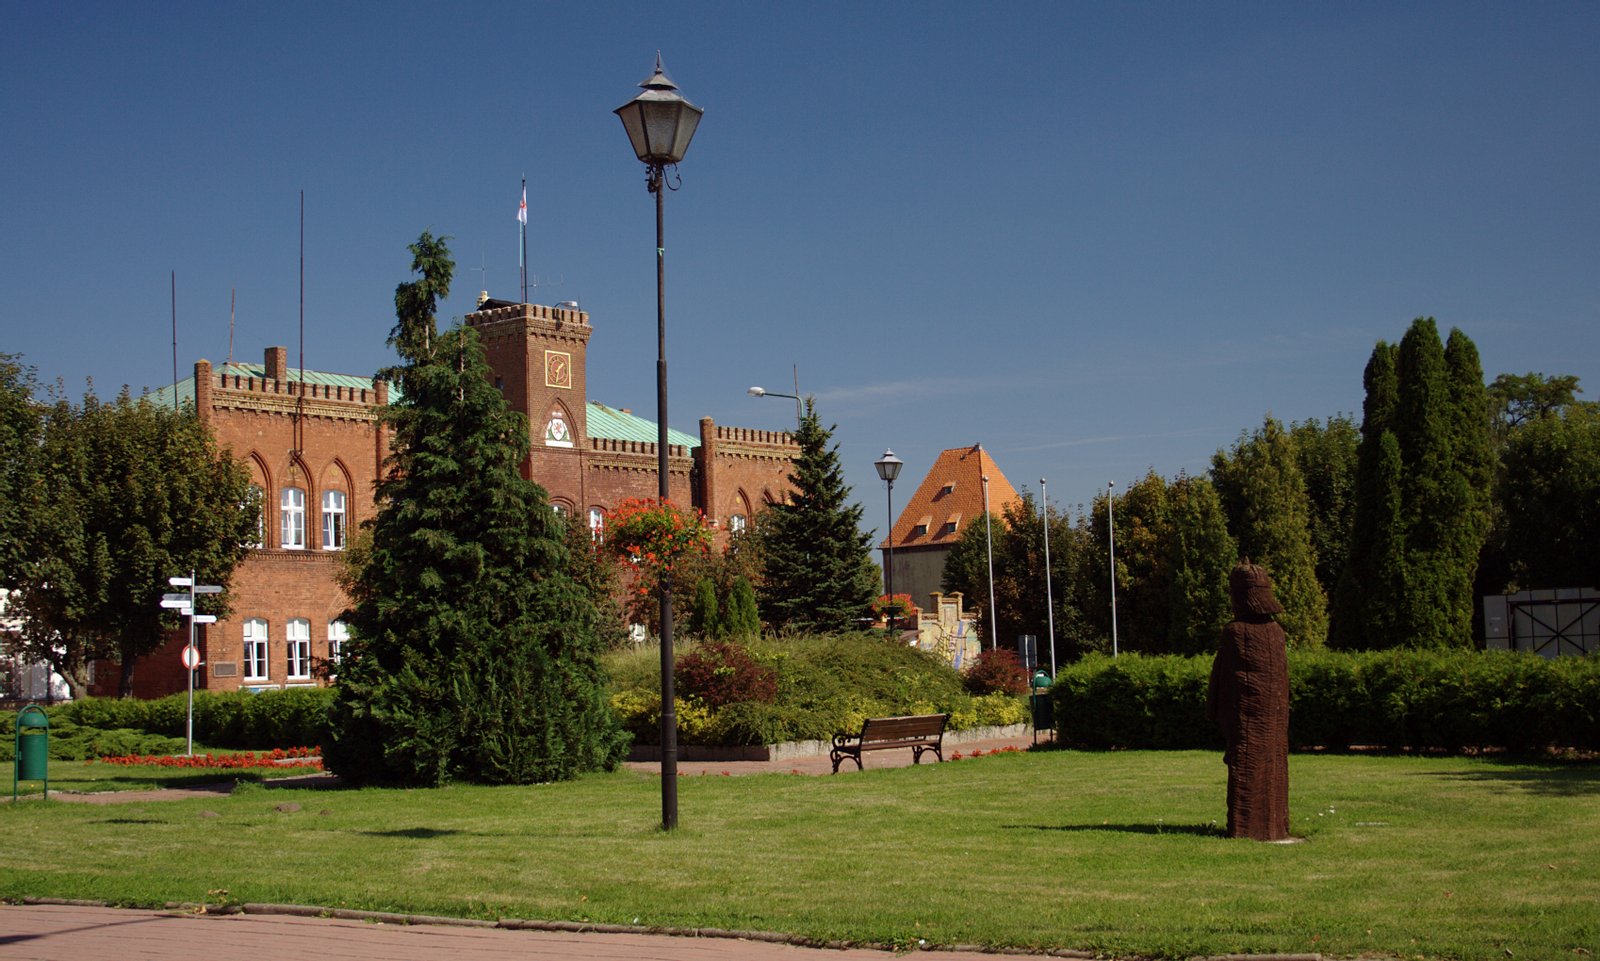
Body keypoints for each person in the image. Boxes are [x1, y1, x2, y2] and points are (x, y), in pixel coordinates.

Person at [1206, 560, 1291, 841]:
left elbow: (1221, 675)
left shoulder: (1236, 632)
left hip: (1246, 717)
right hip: (1272, 719)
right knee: (1271, 766)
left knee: (1246, 764)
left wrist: (1214, 708)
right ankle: (1274, 826)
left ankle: (1245, 827)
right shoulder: (1277, 632)